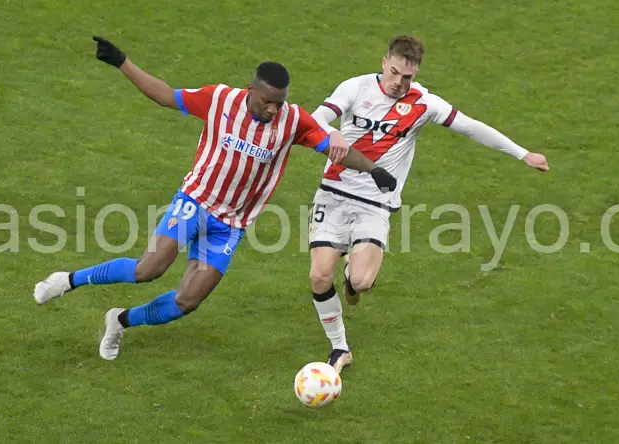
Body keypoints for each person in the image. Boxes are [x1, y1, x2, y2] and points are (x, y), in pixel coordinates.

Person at [33, 36, 397, 361]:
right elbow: (164, 95)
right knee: (149, 268)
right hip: (194, 202)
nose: (273, 110)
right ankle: (67, 280)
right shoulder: (219, 99)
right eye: (268, 102)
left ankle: (120, 320)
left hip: (231, 225)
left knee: (187, 301)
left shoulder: (292, 121)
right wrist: (122, 61)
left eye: (280, 103)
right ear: (250, 90)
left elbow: (335, 149)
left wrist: (374, 170)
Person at [307, 35, 550, 372]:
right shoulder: (356, 88)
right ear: (384, 63)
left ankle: (352, 274)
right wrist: (330, 133)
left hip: (375, 203)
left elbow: (471, 127)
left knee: (360, 283)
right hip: (333, 193)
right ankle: (340, 349)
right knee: (320, 276)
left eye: (407, 77)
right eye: (394, 73)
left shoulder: (424, 104)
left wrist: (523, 153)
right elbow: (313, 119)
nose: (398, 83)